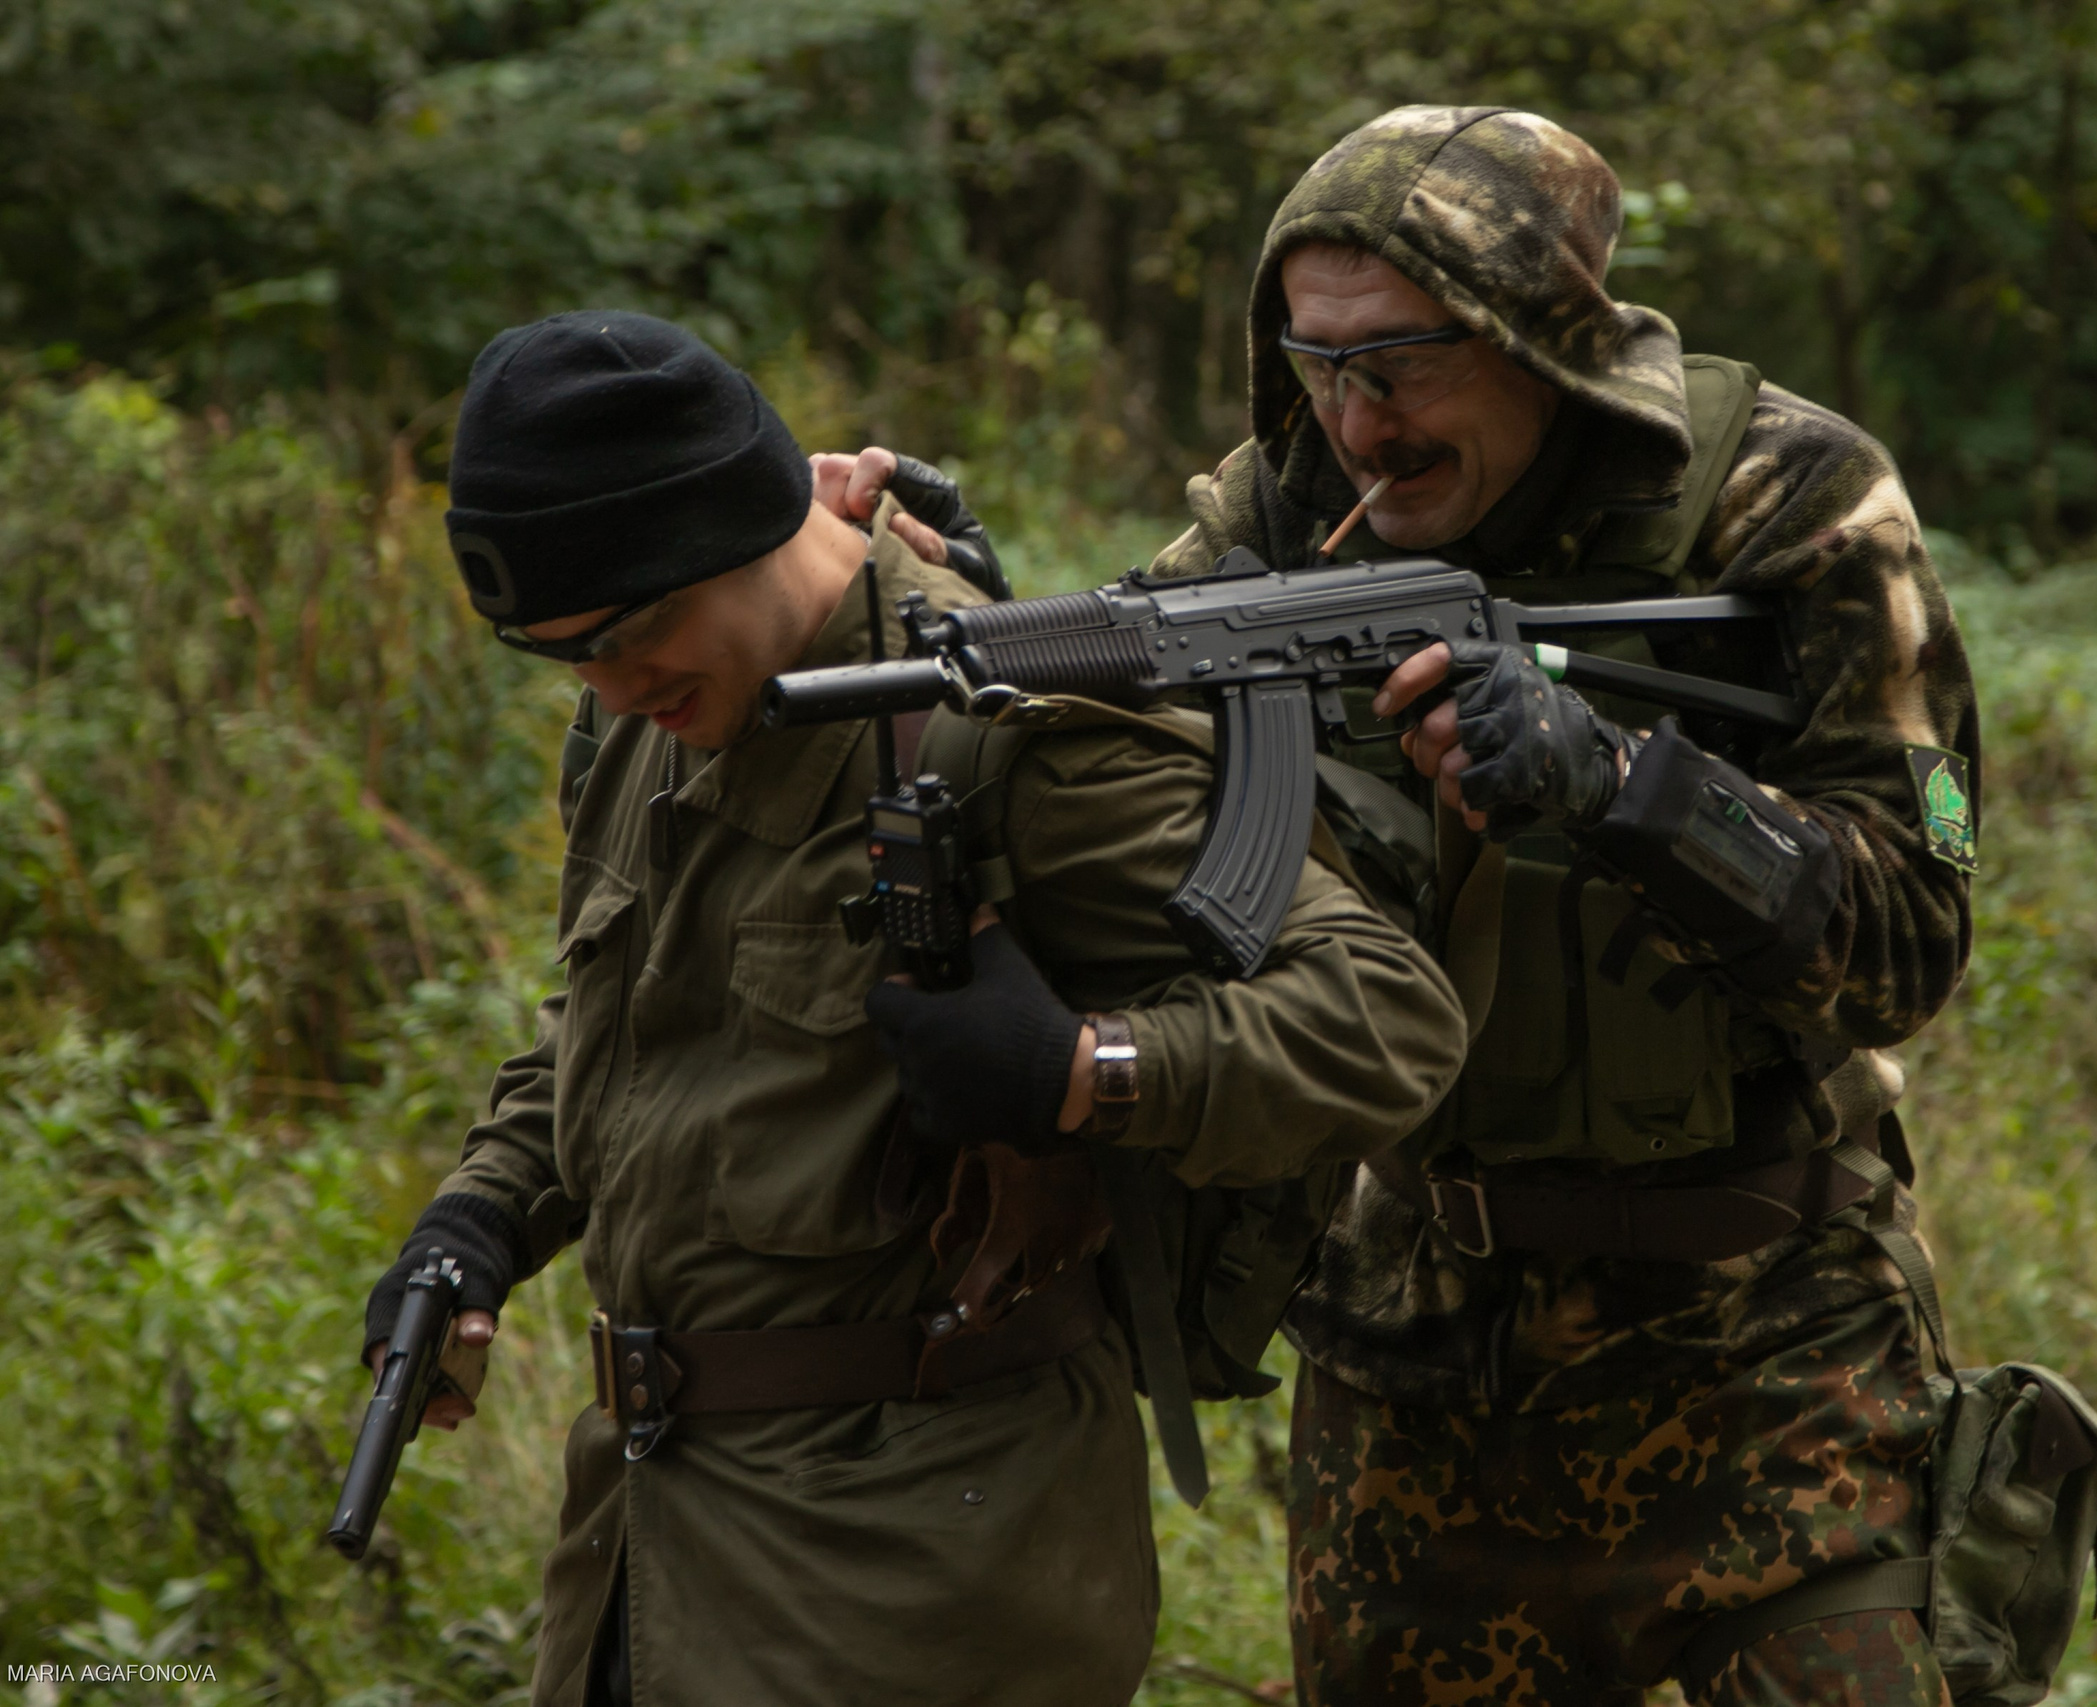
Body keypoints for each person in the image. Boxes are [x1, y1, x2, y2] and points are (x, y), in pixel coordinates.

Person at [359, 309, 1469, 1707]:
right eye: (560, 654)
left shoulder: (1003, 730)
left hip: (916, 1576)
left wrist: (1082, 1069)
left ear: (741, 527)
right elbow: (620, 1024)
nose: (611, 687)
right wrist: (484, 1211)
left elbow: (1391, 1021)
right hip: (647, 1544)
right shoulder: (653, 718)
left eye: (633, 633)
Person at [1150, 108, 1981, 1706]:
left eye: (1399, 362)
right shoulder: (1279, 511)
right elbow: (1111, 722)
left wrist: (1624, 786)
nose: (1355, 419)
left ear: (1542, 342)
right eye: (1315, 364)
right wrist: (952, 605)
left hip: (1770, 1346)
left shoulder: (1796, 504)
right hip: (1420, 1358)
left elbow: (1910, 942)